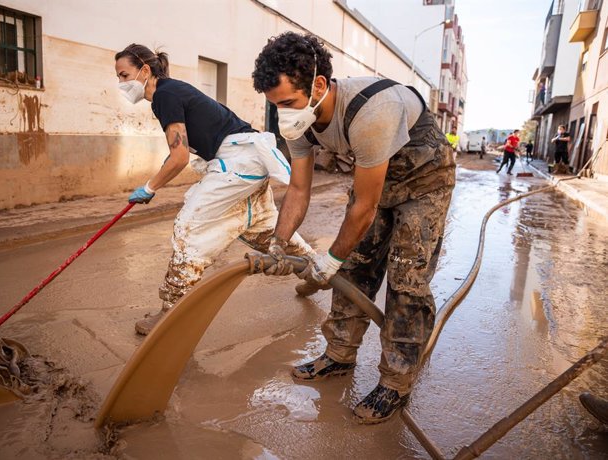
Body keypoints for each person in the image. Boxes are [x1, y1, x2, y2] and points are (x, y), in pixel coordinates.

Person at [252, 32, 456, 424]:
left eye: (288, 103)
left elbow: (364, 207)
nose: (283, 114)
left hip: (424, 180)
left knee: (405, 277)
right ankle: (339, 355)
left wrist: (328, 259)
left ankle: (396, 381)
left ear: (319, 86)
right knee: (355, 268)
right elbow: (298, 189)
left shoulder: (371, 112)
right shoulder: (302, 121)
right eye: (275, 105)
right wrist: (278, 244)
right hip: (375, 175)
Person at [114, 43, 313, 335]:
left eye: (123, 75)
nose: (121, 83)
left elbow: (179, 157)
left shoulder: (164, 95)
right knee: (260, 227)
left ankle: (170, 311)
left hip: (238, 161)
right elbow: (178, 152)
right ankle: (315, 270)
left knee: (190, 227)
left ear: (144, 70)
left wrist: (149, 187)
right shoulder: (171, 91)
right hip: (247, 159)